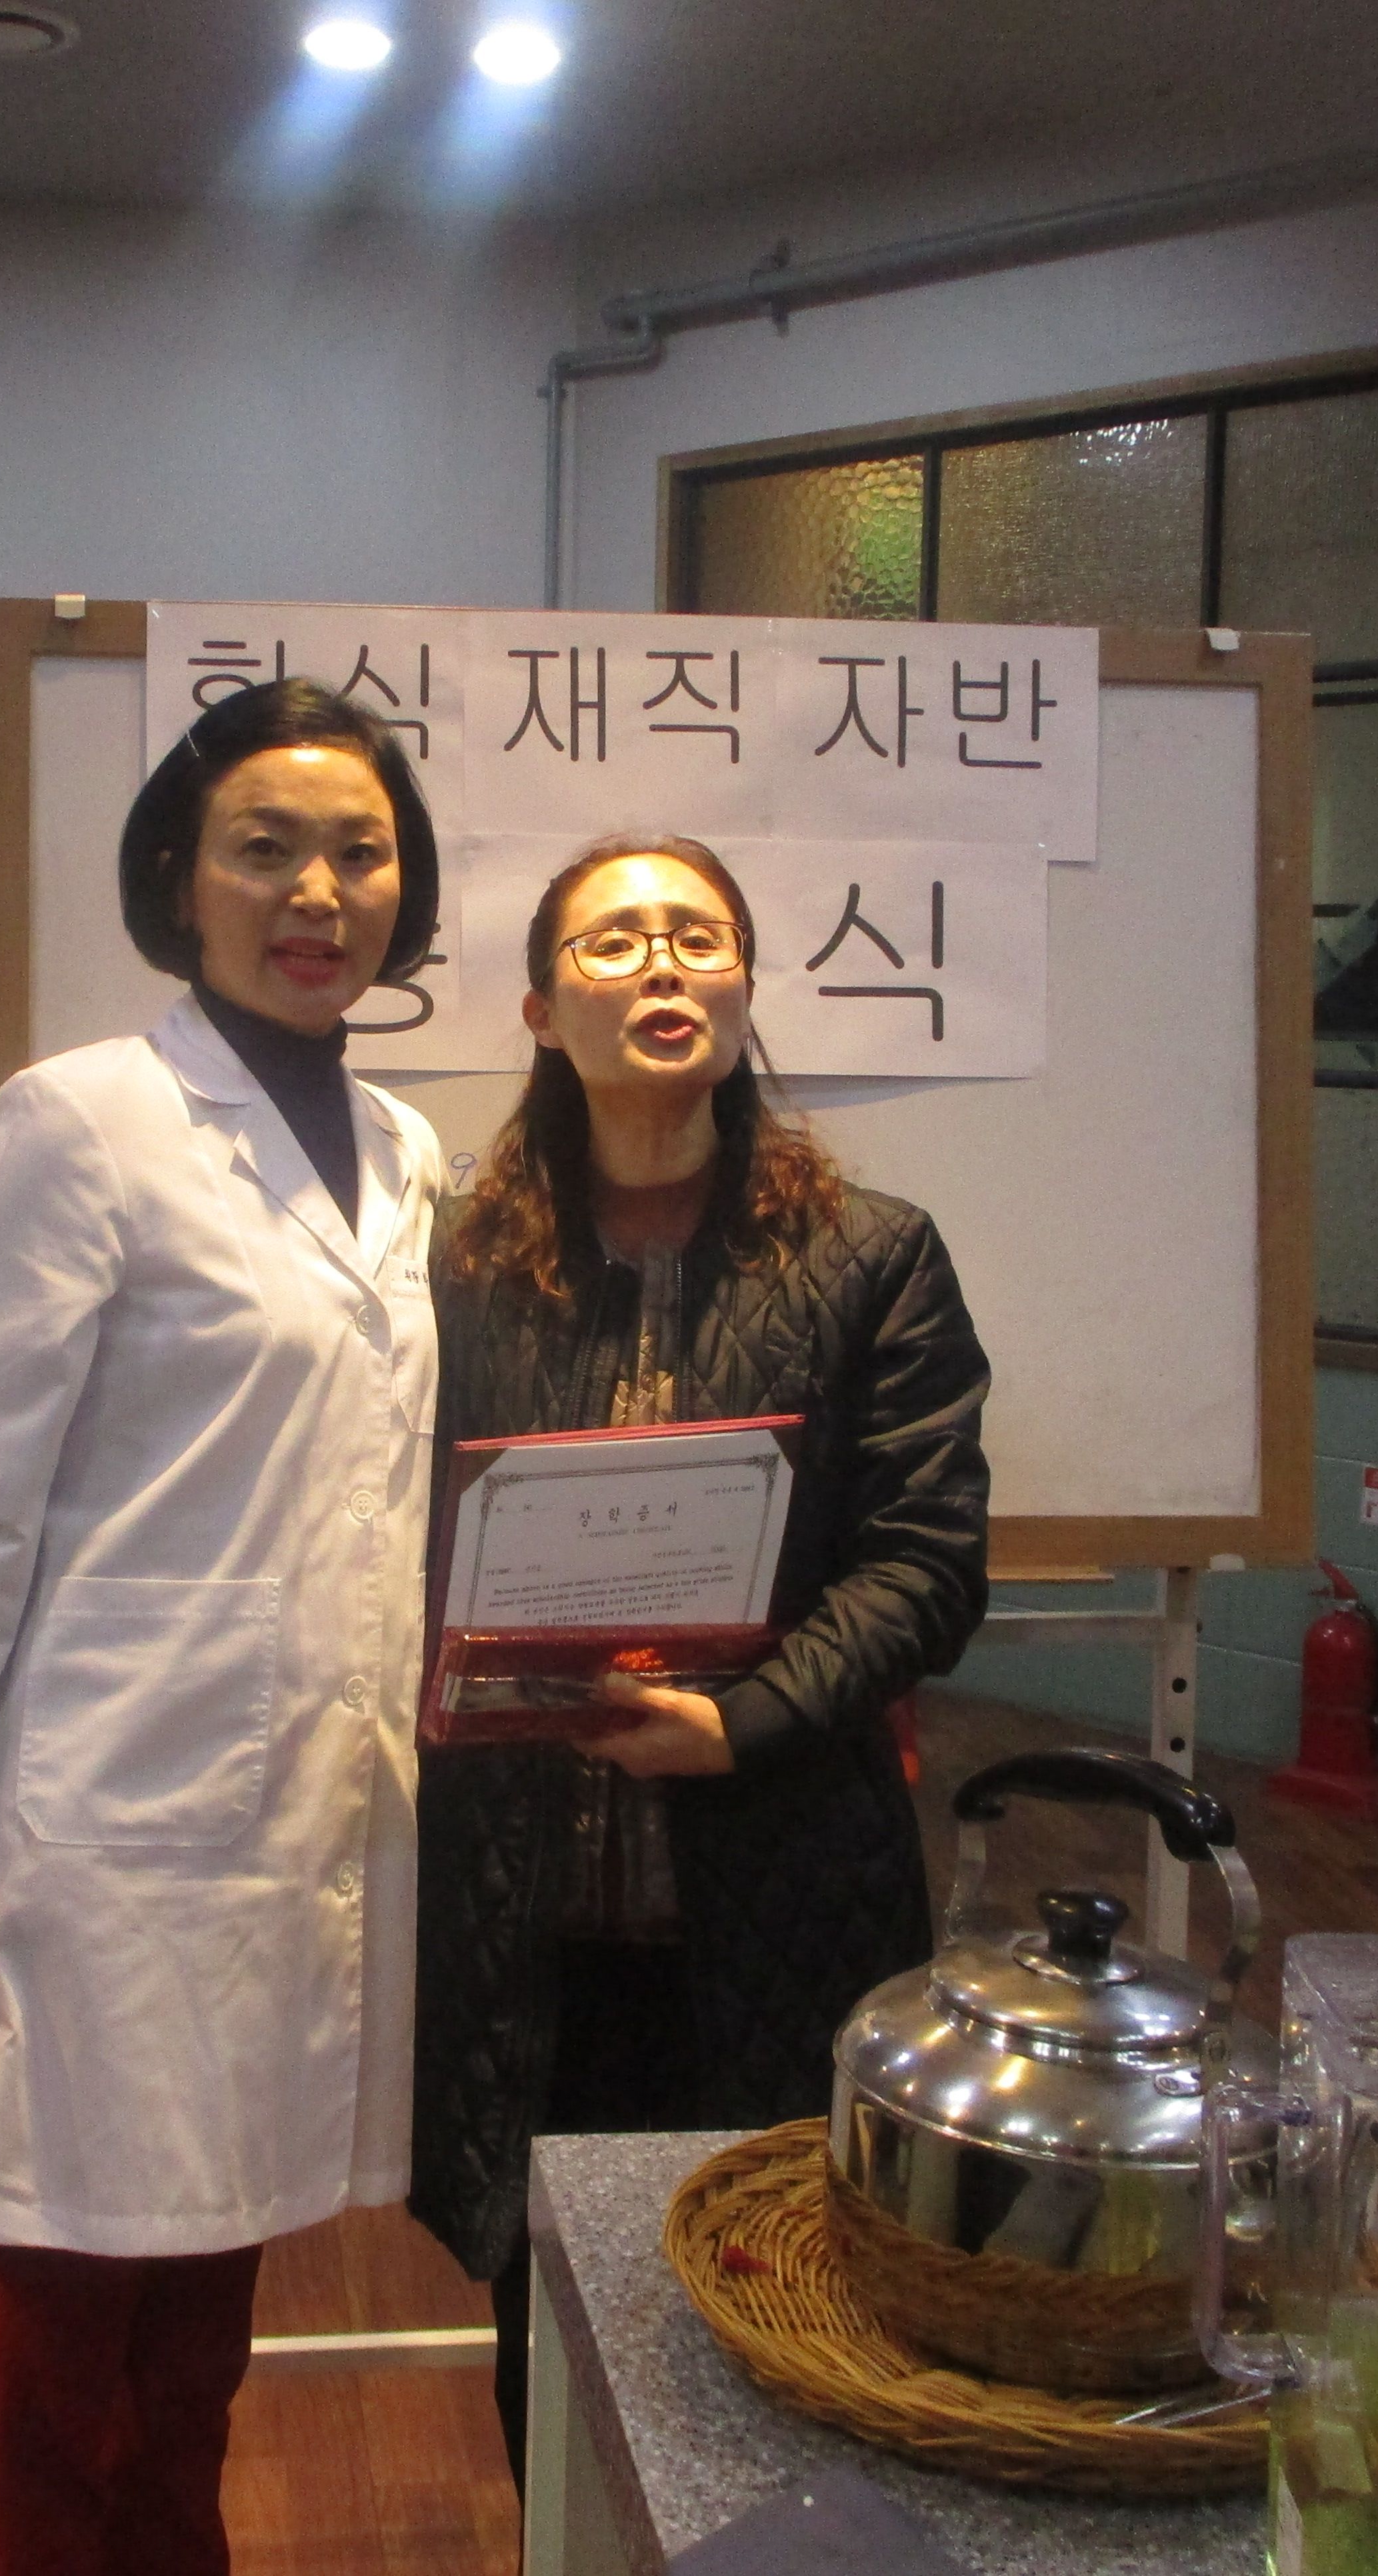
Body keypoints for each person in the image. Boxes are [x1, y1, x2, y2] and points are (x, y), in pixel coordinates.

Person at [0, 678, 445, 2576]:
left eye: (359, 852)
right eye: (264, 849)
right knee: (59, 2335)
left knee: (202, 2320)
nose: (317, 893)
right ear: (179, 883)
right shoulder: (84, 1122)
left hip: (300, 1812)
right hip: (103, 1818)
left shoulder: (406, 1150)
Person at [406, 833, 993, 2477]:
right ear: (541, 1010)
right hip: (522, 1904)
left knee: (784, 2332)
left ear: (740, 992)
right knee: (547, 2352)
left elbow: (926, 1567)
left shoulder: (869, 1256)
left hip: (776, 1881)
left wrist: (739, 1722)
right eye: (612, 943)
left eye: (696, 937)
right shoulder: (452, 1266)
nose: (660, 964)